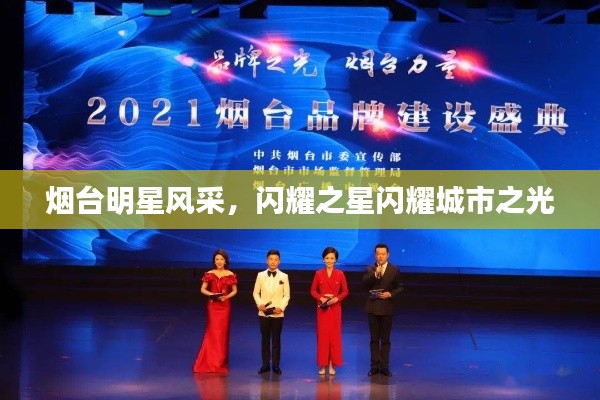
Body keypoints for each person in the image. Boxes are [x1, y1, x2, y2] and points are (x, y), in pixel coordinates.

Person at [193, 249, 238, 373]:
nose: (219, 261)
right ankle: (208, 361)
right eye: (217, 259)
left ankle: (219, 362)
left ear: (225, 261)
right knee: (212, 332)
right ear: (214, 261)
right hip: (213, 306)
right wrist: (212, 294)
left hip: (225, 307)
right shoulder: (209, 274)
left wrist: (226, 297)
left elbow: (234, 290)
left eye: (221, 259)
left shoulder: (230, 274)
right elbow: (202, 289)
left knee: (222, 334)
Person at [362, 243, 403, 377]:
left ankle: (384, 366)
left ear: (388, 255)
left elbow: (400, 287)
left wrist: (390, 294)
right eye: (378, 254)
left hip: (387, 308)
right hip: (373, 307)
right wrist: (375, 273)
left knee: (385, 339)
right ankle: (374, 366)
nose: (380, 256)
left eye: (383, 254)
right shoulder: (370, 269)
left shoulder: (394, 270)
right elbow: (365, 283)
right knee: (374, 339)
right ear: (375, 255)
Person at [310, 246, 349, 376]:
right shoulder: (318, 273)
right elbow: (313, 290)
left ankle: (332, 364)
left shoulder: (340, 274)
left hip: (335, 309)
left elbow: (345, 291)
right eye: (327, 258)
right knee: (323, 337)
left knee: (334, 337)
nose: (329, 260)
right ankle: (322, 364)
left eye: (332, 258)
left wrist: (336, 299)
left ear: (336, 260)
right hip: (322, 309)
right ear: (323, 259)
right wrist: (321, 298)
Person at [253, 249, 291, 375]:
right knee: (265, 339)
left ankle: (275, 365)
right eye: (271, 259)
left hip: (277, 313)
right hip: (264, 312)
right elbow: (255, 292)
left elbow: (287, 295)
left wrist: (281, 307)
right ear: (266, 260)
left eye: (276, 259)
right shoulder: (260, 275)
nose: (273, 262)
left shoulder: (284, 276)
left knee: (276, 339)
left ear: (279, 261)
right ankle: (265, 364)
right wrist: (260, 304)